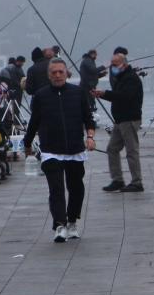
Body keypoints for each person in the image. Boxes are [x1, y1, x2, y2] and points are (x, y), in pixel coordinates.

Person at [23, 58, 96, 242]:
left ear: (66, 73)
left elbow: (88, 118)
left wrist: (90, 137)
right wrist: (27, 143)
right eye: (53, 72)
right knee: (56, 189)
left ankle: (72, 222)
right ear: (49, 75)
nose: (57, 75)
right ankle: (60, 225)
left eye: (60, 72)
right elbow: (34, 122)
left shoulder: (78, 93)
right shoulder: (41, 96)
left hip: (75, 149)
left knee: (76, 188)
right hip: (50, 150)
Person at [92, 49, 143, 192]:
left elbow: (124, 96)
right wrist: (102, 94)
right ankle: (117, 180)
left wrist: (105, 93)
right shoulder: (120, 78)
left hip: (129, 119)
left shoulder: (131, 78)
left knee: (131, 151)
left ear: (124, 64)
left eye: (115, 64)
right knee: (112, 149)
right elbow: (117, 95)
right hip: (120, 120)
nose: (112, 67)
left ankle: (137, 182)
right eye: (111, 64)